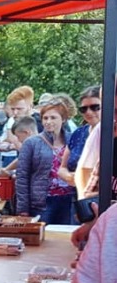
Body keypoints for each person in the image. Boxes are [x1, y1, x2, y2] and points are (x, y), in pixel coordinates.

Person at [15, 96, 76, 224]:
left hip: (69, 200)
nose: (48, 121)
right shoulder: (31, 143)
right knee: (42, 234)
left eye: (53, 118)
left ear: (63, 119)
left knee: (66, 235)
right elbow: (22, 177)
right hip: (42, 202)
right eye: (45, 118)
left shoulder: (73, 140)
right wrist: (23, 209)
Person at [58, 86, 101, 189]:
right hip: (76, 195)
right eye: (84, 109)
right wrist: (68, 177)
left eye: (95, 107)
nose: (88, 112)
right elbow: (62, 168)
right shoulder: (78, 133)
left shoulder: (112, 135)